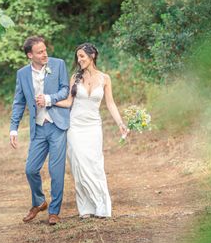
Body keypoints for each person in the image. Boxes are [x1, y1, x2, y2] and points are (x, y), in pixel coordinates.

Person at [54, 43, 128, 218]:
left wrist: (120, 123)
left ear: (92, 55)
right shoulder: (75, 78)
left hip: (93, 127)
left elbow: (110, 103)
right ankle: (86, 209)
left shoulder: (105, 78)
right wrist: (49, 101)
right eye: (78, 57)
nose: (79, 60)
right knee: (79, 165)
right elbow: (68, 102)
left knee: (94, 165)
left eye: (82, 56)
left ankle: (101, 207)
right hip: (75, 127)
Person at [9, 36, 71, 225]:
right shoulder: (22, 74)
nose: (45, 54)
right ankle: (39, 202)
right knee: (30, 169)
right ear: (30, 55)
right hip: (38, 127)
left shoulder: (58, 64)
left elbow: (65, 89)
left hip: (57, 125)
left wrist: (49, 99)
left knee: (56, 170)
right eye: (40, 52)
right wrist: (14, 128)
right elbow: (19, 102)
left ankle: (54, 212)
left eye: (45, 50)